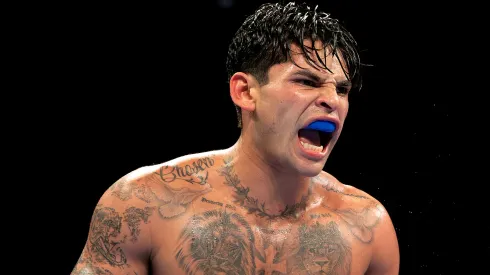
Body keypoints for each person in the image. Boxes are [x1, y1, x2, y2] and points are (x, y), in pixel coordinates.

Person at [71, 2, 400, 274]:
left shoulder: (367, 226)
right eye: (307, 82)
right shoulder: (144, 204)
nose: (333, 100)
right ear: (245, 91)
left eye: (342, 89)